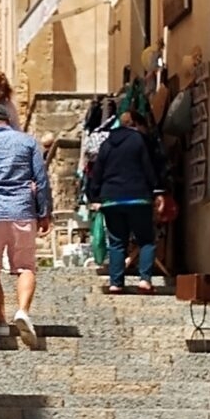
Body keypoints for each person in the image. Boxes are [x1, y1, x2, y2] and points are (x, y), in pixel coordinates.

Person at [0, 103, 53, 347]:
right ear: (8, 119)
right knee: (26, 267)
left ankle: (0, 322)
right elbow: (41, 179)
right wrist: (44, 211)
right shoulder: (28, 142)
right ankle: (22, 311)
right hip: (22, 210)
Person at [87, 109, 160, 294]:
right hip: (138, 197)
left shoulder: (106, 144)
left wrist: (94, 196)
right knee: (145, 240)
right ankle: (145, 281)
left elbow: (97, 173)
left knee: (117, 242)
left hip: (111, 198)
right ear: (134, 124)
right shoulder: (139, 140)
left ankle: (116, 283)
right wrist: (157, 189)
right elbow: (148, 167)